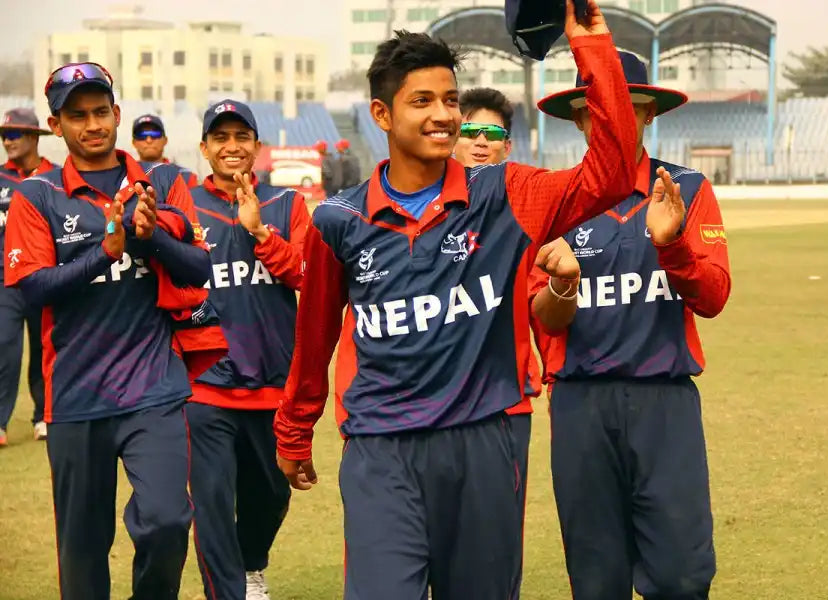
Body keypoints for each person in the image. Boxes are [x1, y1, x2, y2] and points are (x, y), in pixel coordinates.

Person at [274, 2, 638, 598]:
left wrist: (591, 46)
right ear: (381, 115)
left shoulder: (506, 193)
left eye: (450, 100)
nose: (444, 115)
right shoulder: (337, 221)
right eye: (423, 102)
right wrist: (294, 430)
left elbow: (616, 170)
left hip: (485, 443)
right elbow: (314, 338)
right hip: (380, 448)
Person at [3, 62, 214, 599]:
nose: (92, 124)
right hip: (75, 396)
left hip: (154, 389)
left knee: (168, 521)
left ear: (117, 113)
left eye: (101, 112)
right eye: (78, 115)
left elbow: (199, 269)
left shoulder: (164, 181)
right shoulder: (38, 195)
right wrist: (106, 252)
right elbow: (32, 289)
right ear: (57, 126)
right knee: (82, 551)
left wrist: (149, 241)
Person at [529, 50, 731, 600]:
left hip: (665, 405)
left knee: (682, 577)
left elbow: (713, 298)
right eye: (600, 108)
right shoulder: (550, 201)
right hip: (581, 409)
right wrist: (564, 285)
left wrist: (673, 247)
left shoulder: (687, 190)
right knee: (596, 582)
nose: (614, 119)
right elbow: (541, 318)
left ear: (648, 116)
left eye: (628, 107)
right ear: (580, 118)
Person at [451, 86, 572, 600]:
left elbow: (541, 304)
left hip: (502, 402)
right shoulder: (416, 211)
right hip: (423, 405)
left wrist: (550, 370)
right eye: (470, 131)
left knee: (493, 552)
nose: (480, 142)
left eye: (493, 134)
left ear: (508, 145)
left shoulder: (522, 213)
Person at [187, 100, 309, 600]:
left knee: (271, 495)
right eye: (220, 138)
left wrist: (259, 231)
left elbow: (305, 273)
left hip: (272, 384)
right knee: (212, 502)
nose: (231, 147)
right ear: (204, 148)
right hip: (205, 386)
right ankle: (227, 592)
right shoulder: (187, 206)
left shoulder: (287, 204)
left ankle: (252, 563)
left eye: (241, 137)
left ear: (257, 147)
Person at [0, 108, 56, 445]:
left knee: (44, 345)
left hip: (44, 276)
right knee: (4, 345)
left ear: (34, 137)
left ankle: (43, 416)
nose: (7, 141)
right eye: (4, 136)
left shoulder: (54, 177)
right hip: (5, 279)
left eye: (14, 135)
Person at [132, 114, 199, 187]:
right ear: (134, 143)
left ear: (165, 140)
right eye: (142, 135)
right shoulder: (125, 175)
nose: (149, 140)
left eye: (155, 134)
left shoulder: (185, 176)